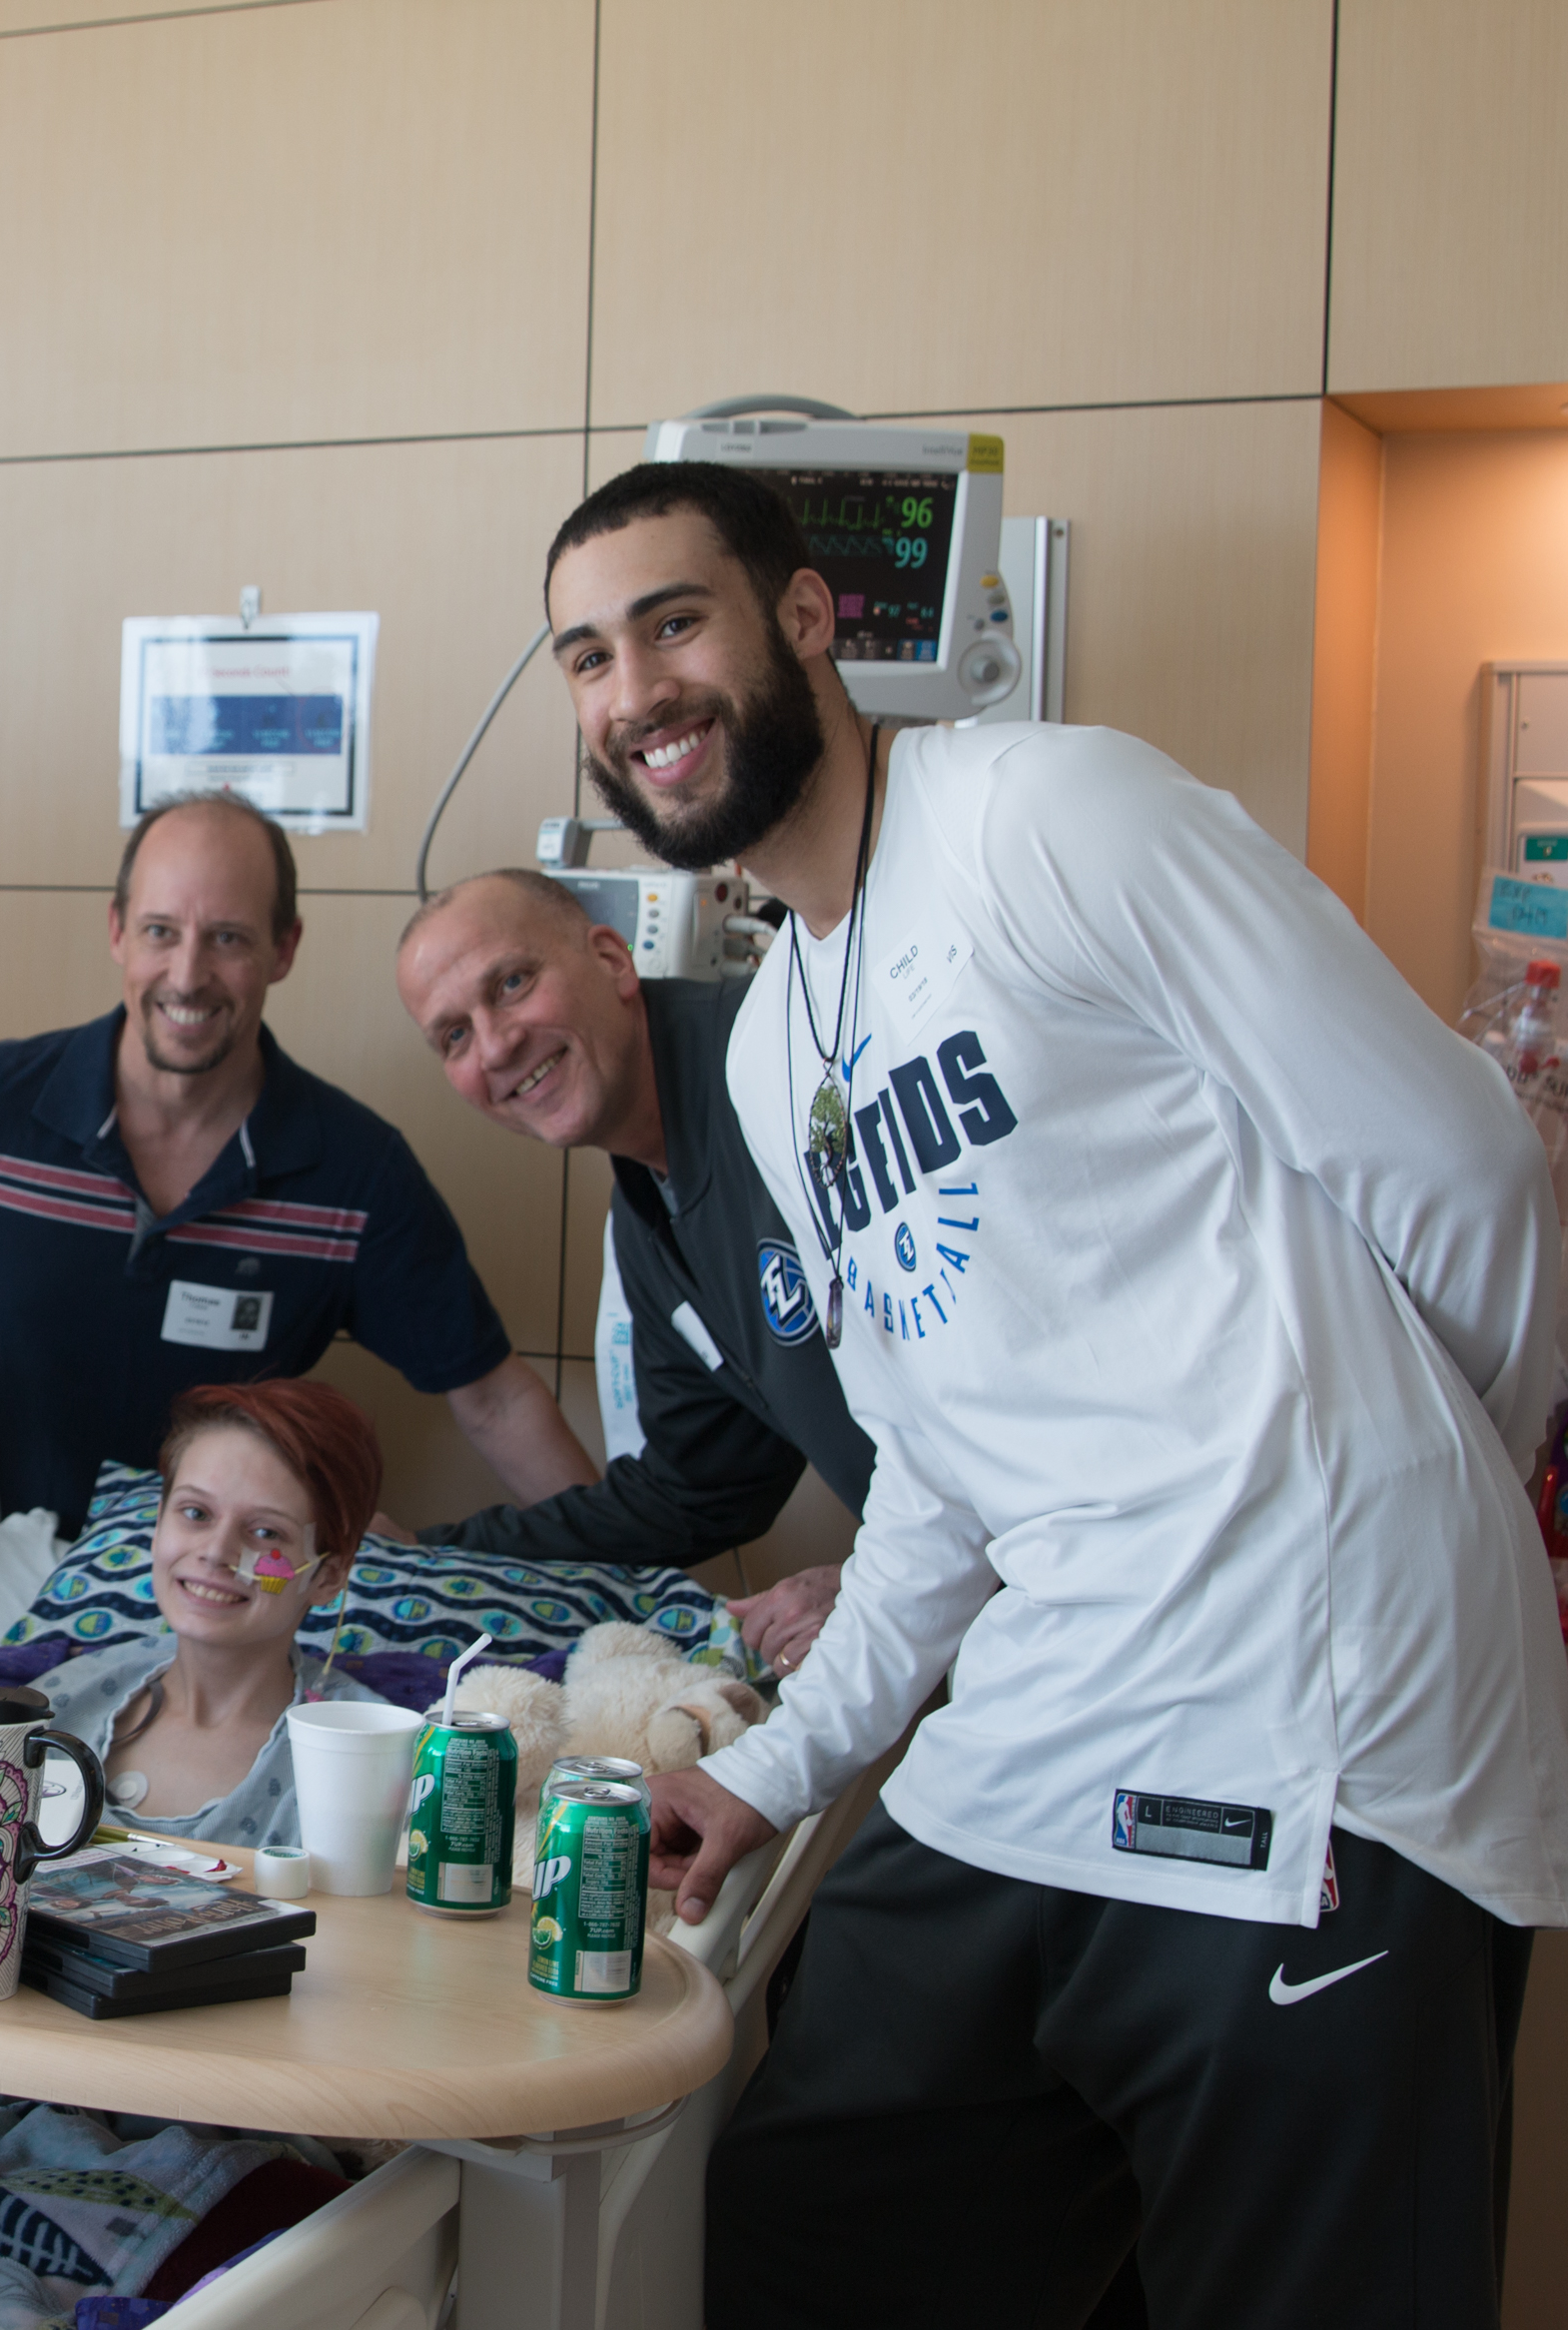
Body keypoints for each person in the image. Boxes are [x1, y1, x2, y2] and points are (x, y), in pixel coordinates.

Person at [543, 459, 1568, 2324]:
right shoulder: (775, 1046)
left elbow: (1468, 1170)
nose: (635, 691)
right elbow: (935, 1469)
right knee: (804, 2226)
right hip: (1048, 1721)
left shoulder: (1057, 814)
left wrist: (1438, 1492)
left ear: (805, 620)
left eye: (674, 622)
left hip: (1305, 1725)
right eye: (589, 656)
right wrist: (773, 1762)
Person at [0, 792, 592, 1584]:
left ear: (284, 948)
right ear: (117, 932)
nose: (188, 974)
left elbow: (494, 1399)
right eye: (160, 931)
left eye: (228, 937)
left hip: (207, 1612)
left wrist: (629, 1577)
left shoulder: (354, 1176)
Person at [393, 867, 868, 1672]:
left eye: (512, 984)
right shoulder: (650, 1209)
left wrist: (874, 1584)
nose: (496, 1045)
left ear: (612, 960)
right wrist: (420, 1556)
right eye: (455, 1036)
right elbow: (697, 1488)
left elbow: (1011, 1390)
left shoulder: (792, 1073)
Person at [31, 1380, 396, 1848]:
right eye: (196, 1513)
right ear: (158, 1524)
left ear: (328, 1575)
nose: (217, 1551)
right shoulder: (58, 1702)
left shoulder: (369, 1762)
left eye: (266, 1532)